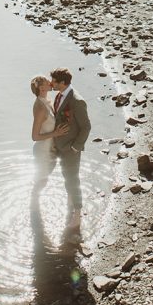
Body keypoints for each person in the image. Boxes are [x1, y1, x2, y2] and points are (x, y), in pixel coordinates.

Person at [50, 67, 91, 233]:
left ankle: (77, 215)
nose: (50, 83)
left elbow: (86, 127)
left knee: (73, 180)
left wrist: (75, 147)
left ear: (62, 83)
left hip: (71, 149)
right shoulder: (59, 95)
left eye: (53, 81)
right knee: (67, 178)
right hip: (61, 147)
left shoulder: (77, 101)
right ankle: (70, 203)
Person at [30, 75, 69, 200]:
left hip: (50, 149)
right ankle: (34, 211)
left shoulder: (46, 101)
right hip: (43, 151)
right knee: (41, 182)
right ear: (42, 88)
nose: (51, 83)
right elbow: (34, 136)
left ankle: (35, 208)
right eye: (48, 82)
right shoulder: (41, 108)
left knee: (42, 181)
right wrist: (55, 134)